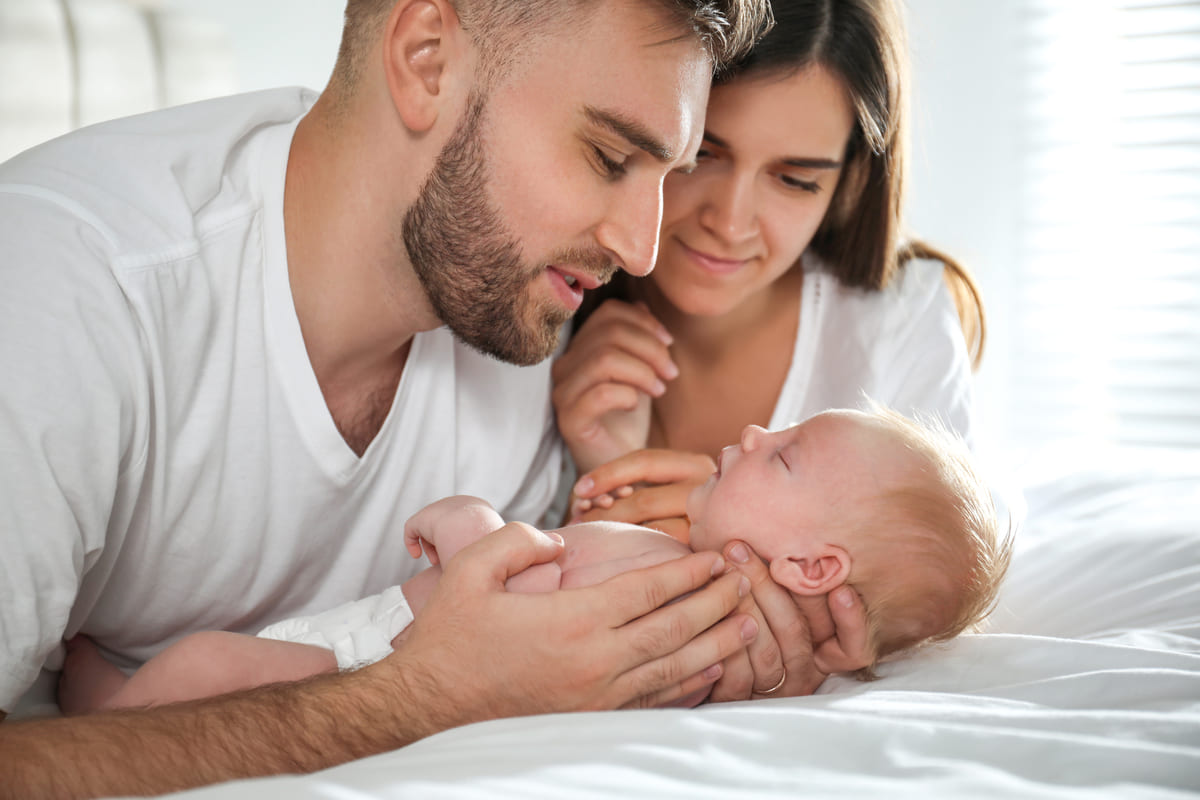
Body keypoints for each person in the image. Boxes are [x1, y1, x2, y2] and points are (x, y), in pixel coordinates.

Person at [0, 1, 803, 796]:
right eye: (607, 156)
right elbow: (458, 684)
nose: (642, 247)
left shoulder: (513, 322)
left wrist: (728, 635)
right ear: (426, 59)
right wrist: (423, 697)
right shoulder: (63, 288)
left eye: (671, 176)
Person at [550, 0, 988, 702]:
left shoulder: (896, 320)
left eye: (795, 179)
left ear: (846, 184)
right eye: (701, 157)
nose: (729, 222)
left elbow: (948, 582)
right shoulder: (539, 296)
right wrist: (605, 469)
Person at [56, 407, 1011, 715]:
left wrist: (474, 522)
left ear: (813, 569)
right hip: (381, 642)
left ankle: (101, 707)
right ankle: (106, 691)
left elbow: (519, 601)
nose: (758, 429)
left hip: (371, 665)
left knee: (204, 669)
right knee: (200, 664)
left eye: (789, 454)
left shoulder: (679, 588)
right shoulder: (717, 612)